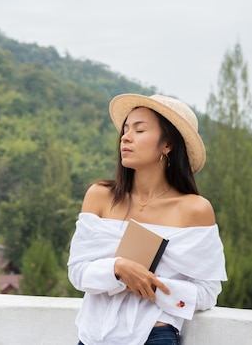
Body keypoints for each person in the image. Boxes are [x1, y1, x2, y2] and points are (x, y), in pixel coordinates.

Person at [68, 94, 227, 345]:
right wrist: (118, 268)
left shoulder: (195, 209)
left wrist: (149, 285)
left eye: (139, 130)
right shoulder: (99, 196)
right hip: (92, 337)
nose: (126, 137)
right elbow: (77, 273)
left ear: (167, 145)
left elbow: (207, 293)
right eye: (125, 129)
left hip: (155, 335)